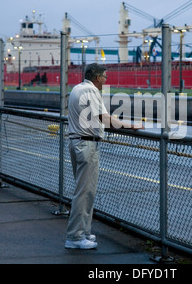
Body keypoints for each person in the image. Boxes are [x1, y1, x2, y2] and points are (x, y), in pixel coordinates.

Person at [65, 63, 143, 250]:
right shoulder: (91, 91)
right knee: (84, 193)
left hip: (77, 142)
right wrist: (131, 126)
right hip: (86, 145)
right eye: (105, 77)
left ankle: (83, 231)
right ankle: (75, 237)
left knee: (85, 191)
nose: (106, 80)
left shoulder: (77, 88)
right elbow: (106, 120)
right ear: (98, 77)